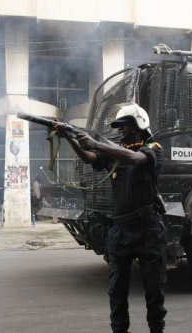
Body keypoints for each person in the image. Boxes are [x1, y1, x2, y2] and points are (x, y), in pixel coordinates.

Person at [56, 102, 167, 333]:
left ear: (139, 126)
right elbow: (89, 157)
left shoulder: (153, 148)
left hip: (148, 230)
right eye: (119, 127)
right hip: (121, 230)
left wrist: (97, 143)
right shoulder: (114, 154)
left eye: (126, 126)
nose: (121, 130)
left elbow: (136, 159)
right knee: (117, 290)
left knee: (153, 291)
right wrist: (69, 137)